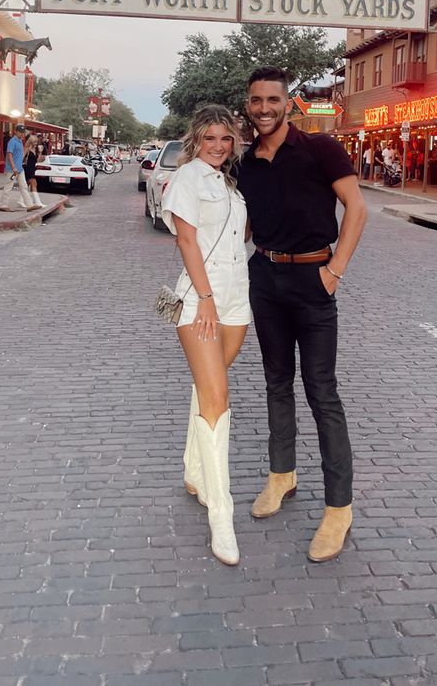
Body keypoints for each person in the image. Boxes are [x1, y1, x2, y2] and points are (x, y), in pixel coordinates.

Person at [237, 67, 367, 563]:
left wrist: (334, 272)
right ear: (248, 106)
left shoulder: (321, 149)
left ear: (288, 103)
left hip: (314, 282)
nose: (264, 107)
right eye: (256, 100)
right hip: (265, 281)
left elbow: (355, 209)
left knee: (322, 393)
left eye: (273, 99)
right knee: (275, 383)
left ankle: (339, 508)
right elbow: (246, 225)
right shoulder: (248, 161)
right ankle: (281, 476)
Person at [160, 105, 251, 566]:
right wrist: (207, 297)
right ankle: (222, 514)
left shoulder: (229, 184)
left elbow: (240, 237)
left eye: (226, 138)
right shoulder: (189, 179)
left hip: (239, 297)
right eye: (211, 138)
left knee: (208, 386)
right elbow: (186, 241)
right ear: (196, 140)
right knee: (218, 396)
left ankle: (194, 470)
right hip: (201, 298)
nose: (218, 145)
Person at [0, 124, 37, 212]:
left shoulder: (20, 141)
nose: (22, 134)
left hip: (19, 168)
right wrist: (13, 167)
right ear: (15, 132)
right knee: (9, 186)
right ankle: (3, 205)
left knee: (24, 186)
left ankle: (29, 205)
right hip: (13, 169)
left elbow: (20, 154)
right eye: (20, 132)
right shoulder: (12, 141)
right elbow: (9, 155)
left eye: (23, 133)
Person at [23, 134, 46, 209]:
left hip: (33, 168)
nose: (36, 143)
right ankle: (37, 202)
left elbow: (37, 160)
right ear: (30, 141)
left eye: (37, 142)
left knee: (26, 184)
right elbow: (22, 158)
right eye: (34, 142)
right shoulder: (27, 148)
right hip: (27, 168)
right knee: (33, 183)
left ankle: (20, 200)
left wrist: (40, 155)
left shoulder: (35, 149)